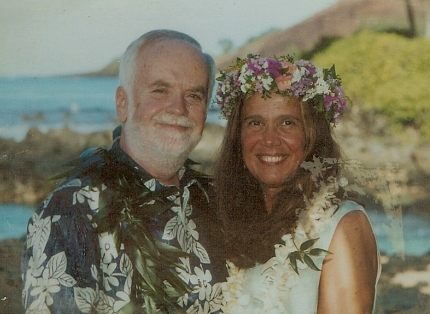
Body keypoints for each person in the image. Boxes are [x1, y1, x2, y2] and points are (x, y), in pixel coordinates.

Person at [21, 30, 227, 314]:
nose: (179, 108)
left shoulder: (214, 201)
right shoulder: (71, 214)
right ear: (123, 103)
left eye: (194, 95)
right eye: (160, 90)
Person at [213, 54, 381, 314]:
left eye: (287, 123)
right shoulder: (227, 218)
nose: (269, 140)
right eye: (256, 123)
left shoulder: (343, 226)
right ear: (238, 135)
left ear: (312, 135)